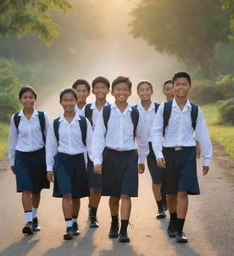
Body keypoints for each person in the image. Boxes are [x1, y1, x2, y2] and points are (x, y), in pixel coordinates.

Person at [152, 72, 212, 243]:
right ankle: (173, 219)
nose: (180, 87)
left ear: (189, 87)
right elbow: (155, 132)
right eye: (177, 84)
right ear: (172, 87)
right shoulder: (165, 108)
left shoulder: (194, 110)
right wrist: (158, 154)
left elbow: (202, 134)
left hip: (187, 154)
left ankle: (180, 229)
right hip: (169, 153)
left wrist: (207, 159)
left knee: (182, 191)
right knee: (171, 193)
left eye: (184, 84)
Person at [91, 76, 149, 243]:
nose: (121, 92)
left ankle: (124, 230)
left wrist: (142, 159)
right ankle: (114, 222)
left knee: (126, 194)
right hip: (111, 157)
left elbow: (142, 138)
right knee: (114, 196)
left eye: (125, 89)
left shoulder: (135, 113)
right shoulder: (107, 112)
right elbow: (98, 137)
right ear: (112, 92)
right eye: (118, 89)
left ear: (130, 92)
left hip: (130, 157)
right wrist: (97, 160)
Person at [46, 88, 92, 240]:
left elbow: (90, 145)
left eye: (71, 100)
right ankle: (68, 228)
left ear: (76, 101)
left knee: (76, 196)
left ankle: (74, 221)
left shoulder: (83, 122)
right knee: (66, 193)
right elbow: (51, 146)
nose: (68, 103)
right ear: (61, 102)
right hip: (62, 161)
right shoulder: (56, 123)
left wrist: (94, 164)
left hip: (79, 161)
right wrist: (49, 168)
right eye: (65, 100)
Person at [8, 85, 50, 235]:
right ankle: (29, 221)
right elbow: (12, 140)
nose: (28, 100)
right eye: (25, 97)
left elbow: (50, 139)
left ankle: (34, 216)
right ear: (20, 99)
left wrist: (50, 162)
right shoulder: (16, 118)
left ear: (35, 99)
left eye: (31, 97)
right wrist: (12, 161)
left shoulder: (42, 117)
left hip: (39, 156)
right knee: (26, 189)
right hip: (22, 157)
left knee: (36, 190)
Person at [135, 80, 167, 218]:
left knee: (167, 177)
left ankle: (167, 201)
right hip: (145, 146)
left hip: (161, 146)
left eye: (147, 89)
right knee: (156, 178)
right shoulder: (134, 110)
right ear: (137, 93)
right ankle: (160, 207)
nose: (145, 92)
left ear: (152, 91)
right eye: (141, 90)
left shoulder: (160, 108)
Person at [84, 76, 110, 228]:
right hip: (92, 152)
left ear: (108, 90)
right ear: (92, 91)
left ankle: (95, 209)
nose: (100, 90)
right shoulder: (87, 109)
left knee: (102, 186)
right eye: (97, 88)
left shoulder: (112, 108)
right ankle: (93, 215)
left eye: (103, 88)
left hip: (109, 151)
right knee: (94, 185)